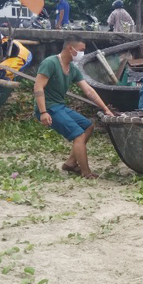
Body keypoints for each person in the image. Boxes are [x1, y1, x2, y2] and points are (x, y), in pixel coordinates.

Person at [33, 35, 114, 178]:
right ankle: (86, 172)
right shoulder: (50, 63)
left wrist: (106, 109)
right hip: (50, 108)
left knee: (88, 126)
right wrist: (43, 112)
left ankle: (71, 163)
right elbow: (38, 87)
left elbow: (89, 91)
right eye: (81, 50)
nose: (82, 53)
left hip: (60, 106)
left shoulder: (72, 69)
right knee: (78, 135)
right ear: (70, 48)